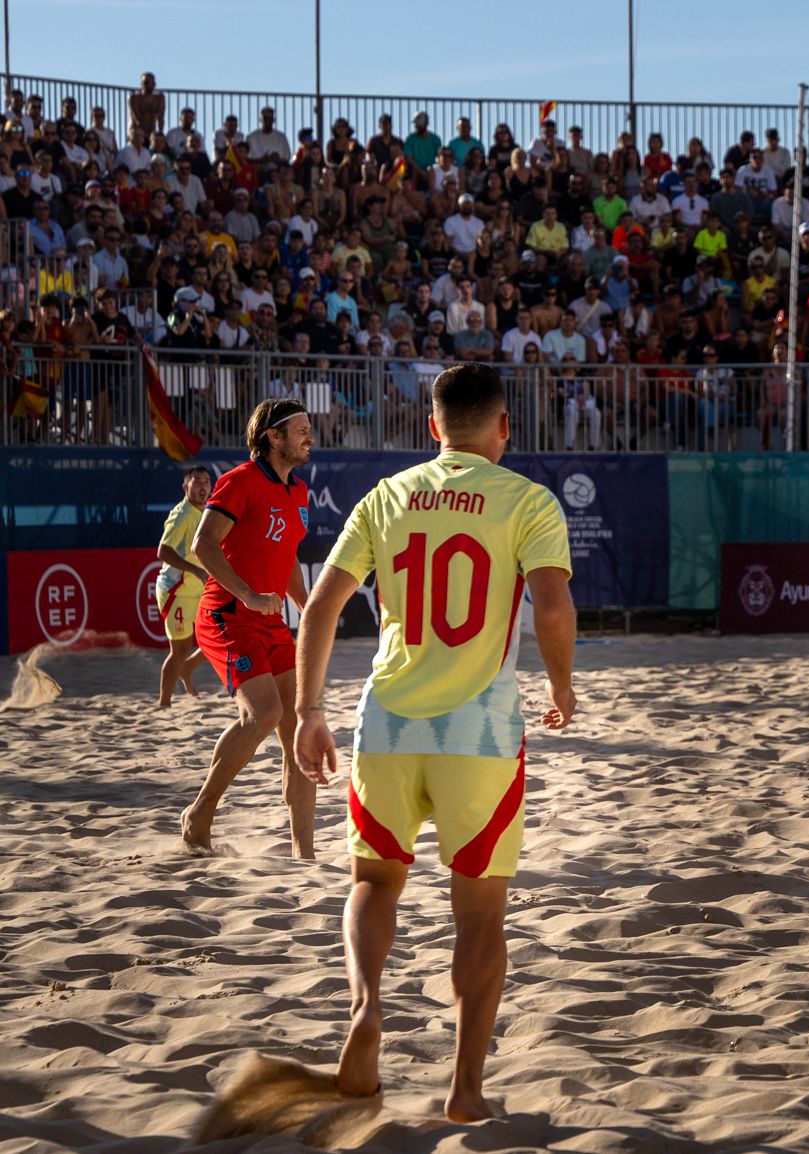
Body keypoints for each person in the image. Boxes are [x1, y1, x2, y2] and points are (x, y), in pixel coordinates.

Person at [293, 362, 576, 1123]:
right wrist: (561, 686)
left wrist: (309, 709)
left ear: (433, 427)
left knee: (372, 883)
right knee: (479, 916)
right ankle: (465, 1090)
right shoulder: (527, 500)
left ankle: (365, 1006)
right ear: (504, 427)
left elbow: (320, 607)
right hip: (478, 733)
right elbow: (551, 608)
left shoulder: (388, 495)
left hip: (387, 723)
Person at [182, 399, 317, 858]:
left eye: (309, 428)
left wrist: (305, 604)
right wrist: (247, 594)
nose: (309, 437)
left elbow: (287, 555)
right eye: (300, 429)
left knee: (299, 730)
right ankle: (199, 813)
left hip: (269, 620)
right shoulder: (240, 481)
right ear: (273, 437)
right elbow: (203, 544)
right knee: (265, 713)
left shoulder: (298, 491)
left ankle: (304, 854)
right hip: (226, 613)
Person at [155, 464, 213, 708]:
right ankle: (164, 704)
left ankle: (187, 668)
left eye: (206, 481)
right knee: (179, 650)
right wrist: (196, 570)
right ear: (185, 487)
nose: (203, 486)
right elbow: (163, 551)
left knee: (216, 637)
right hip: (176, 590)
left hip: (198, 588)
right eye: (196, 481)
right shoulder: (182, 515)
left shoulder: (205, 512)